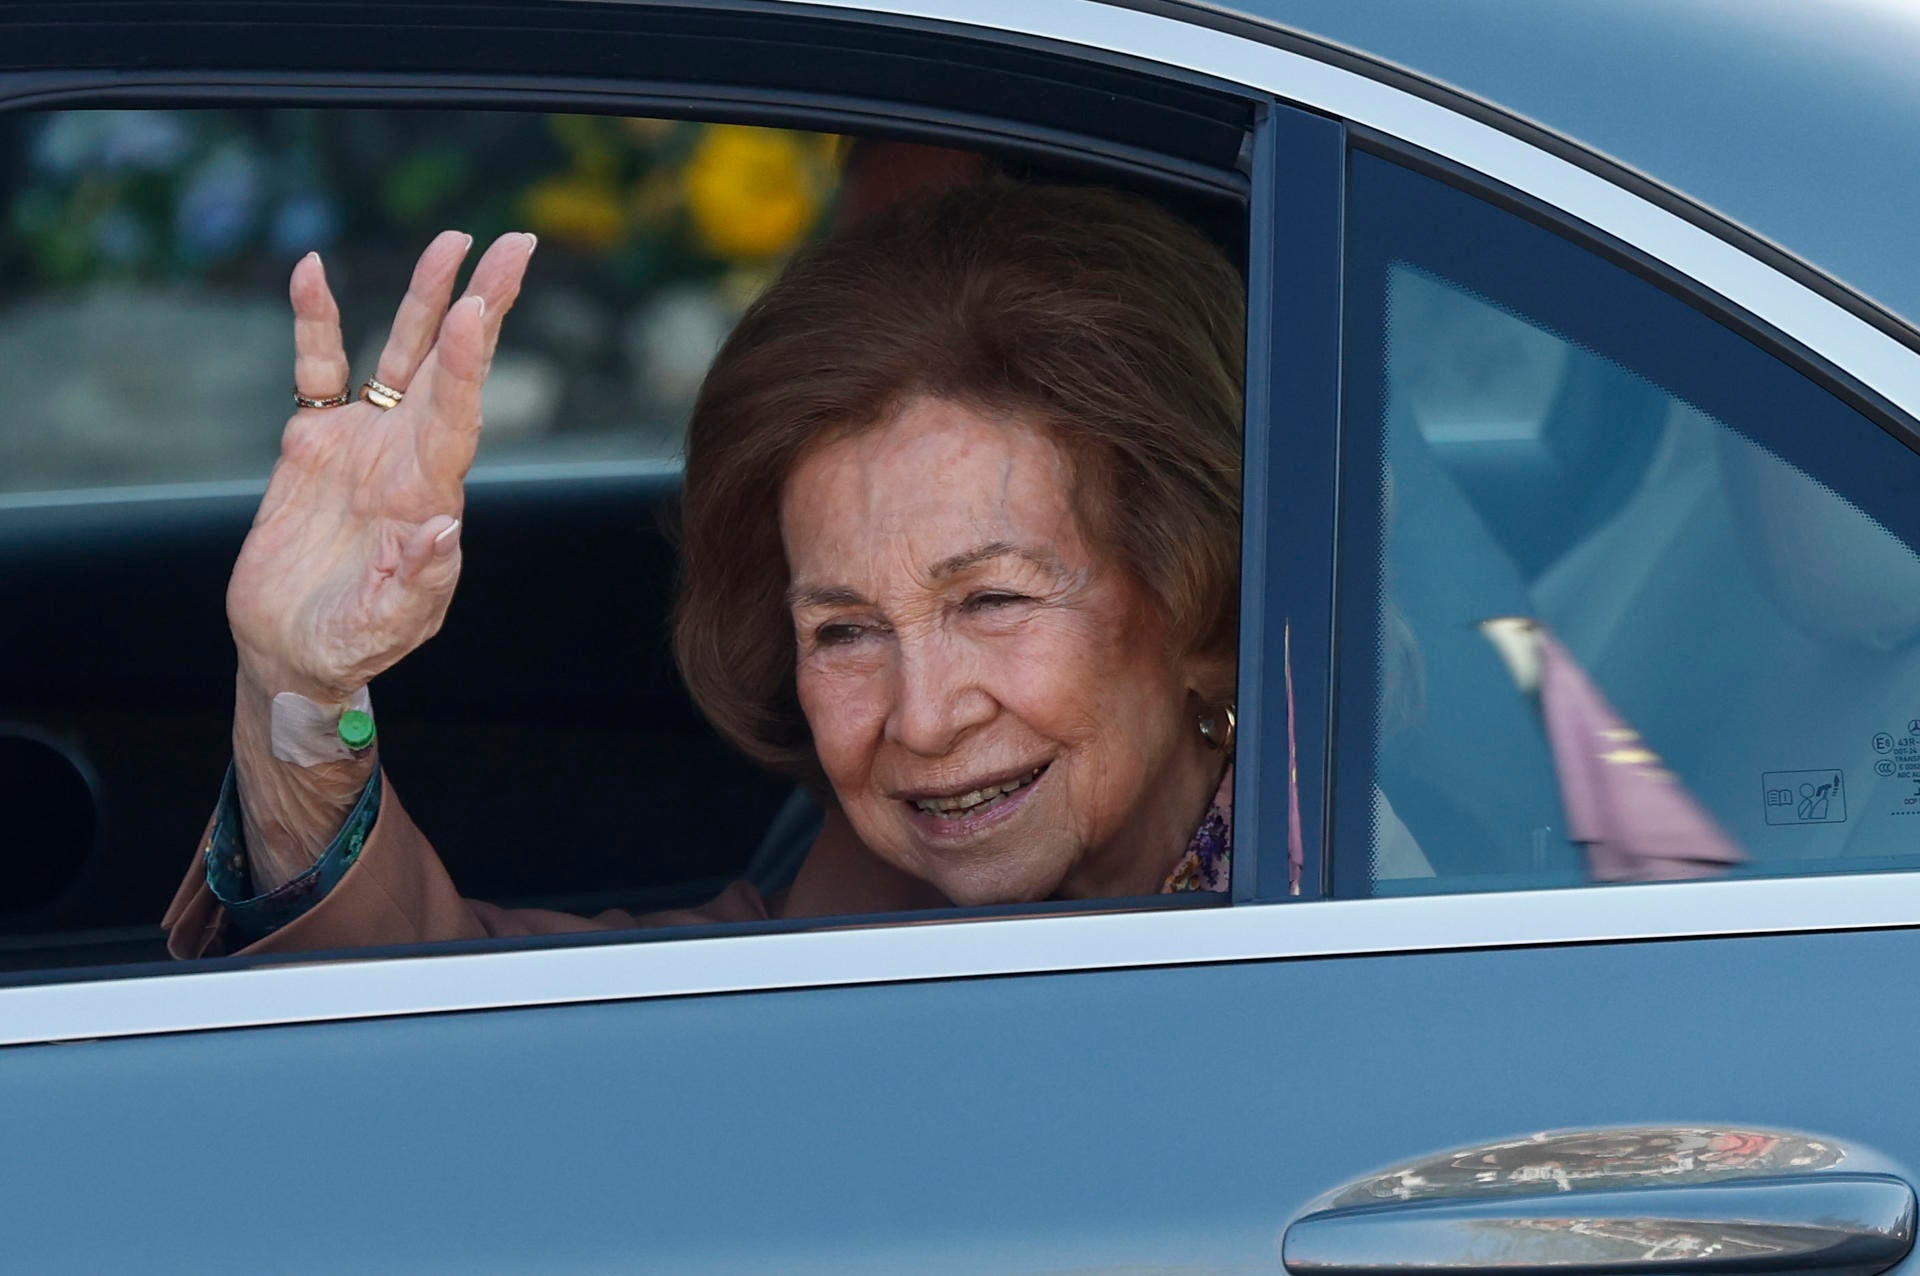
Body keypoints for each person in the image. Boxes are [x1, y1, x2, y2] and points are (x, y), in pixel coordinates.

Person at [163, 181, 1251, 957]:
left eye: (993, 598)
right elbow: (517, 1034)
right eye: (844, 629)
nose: (920, 720)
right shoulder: (892, 881)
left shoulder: (1370, 889)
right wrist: (300, 695)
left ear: (1200, 608)